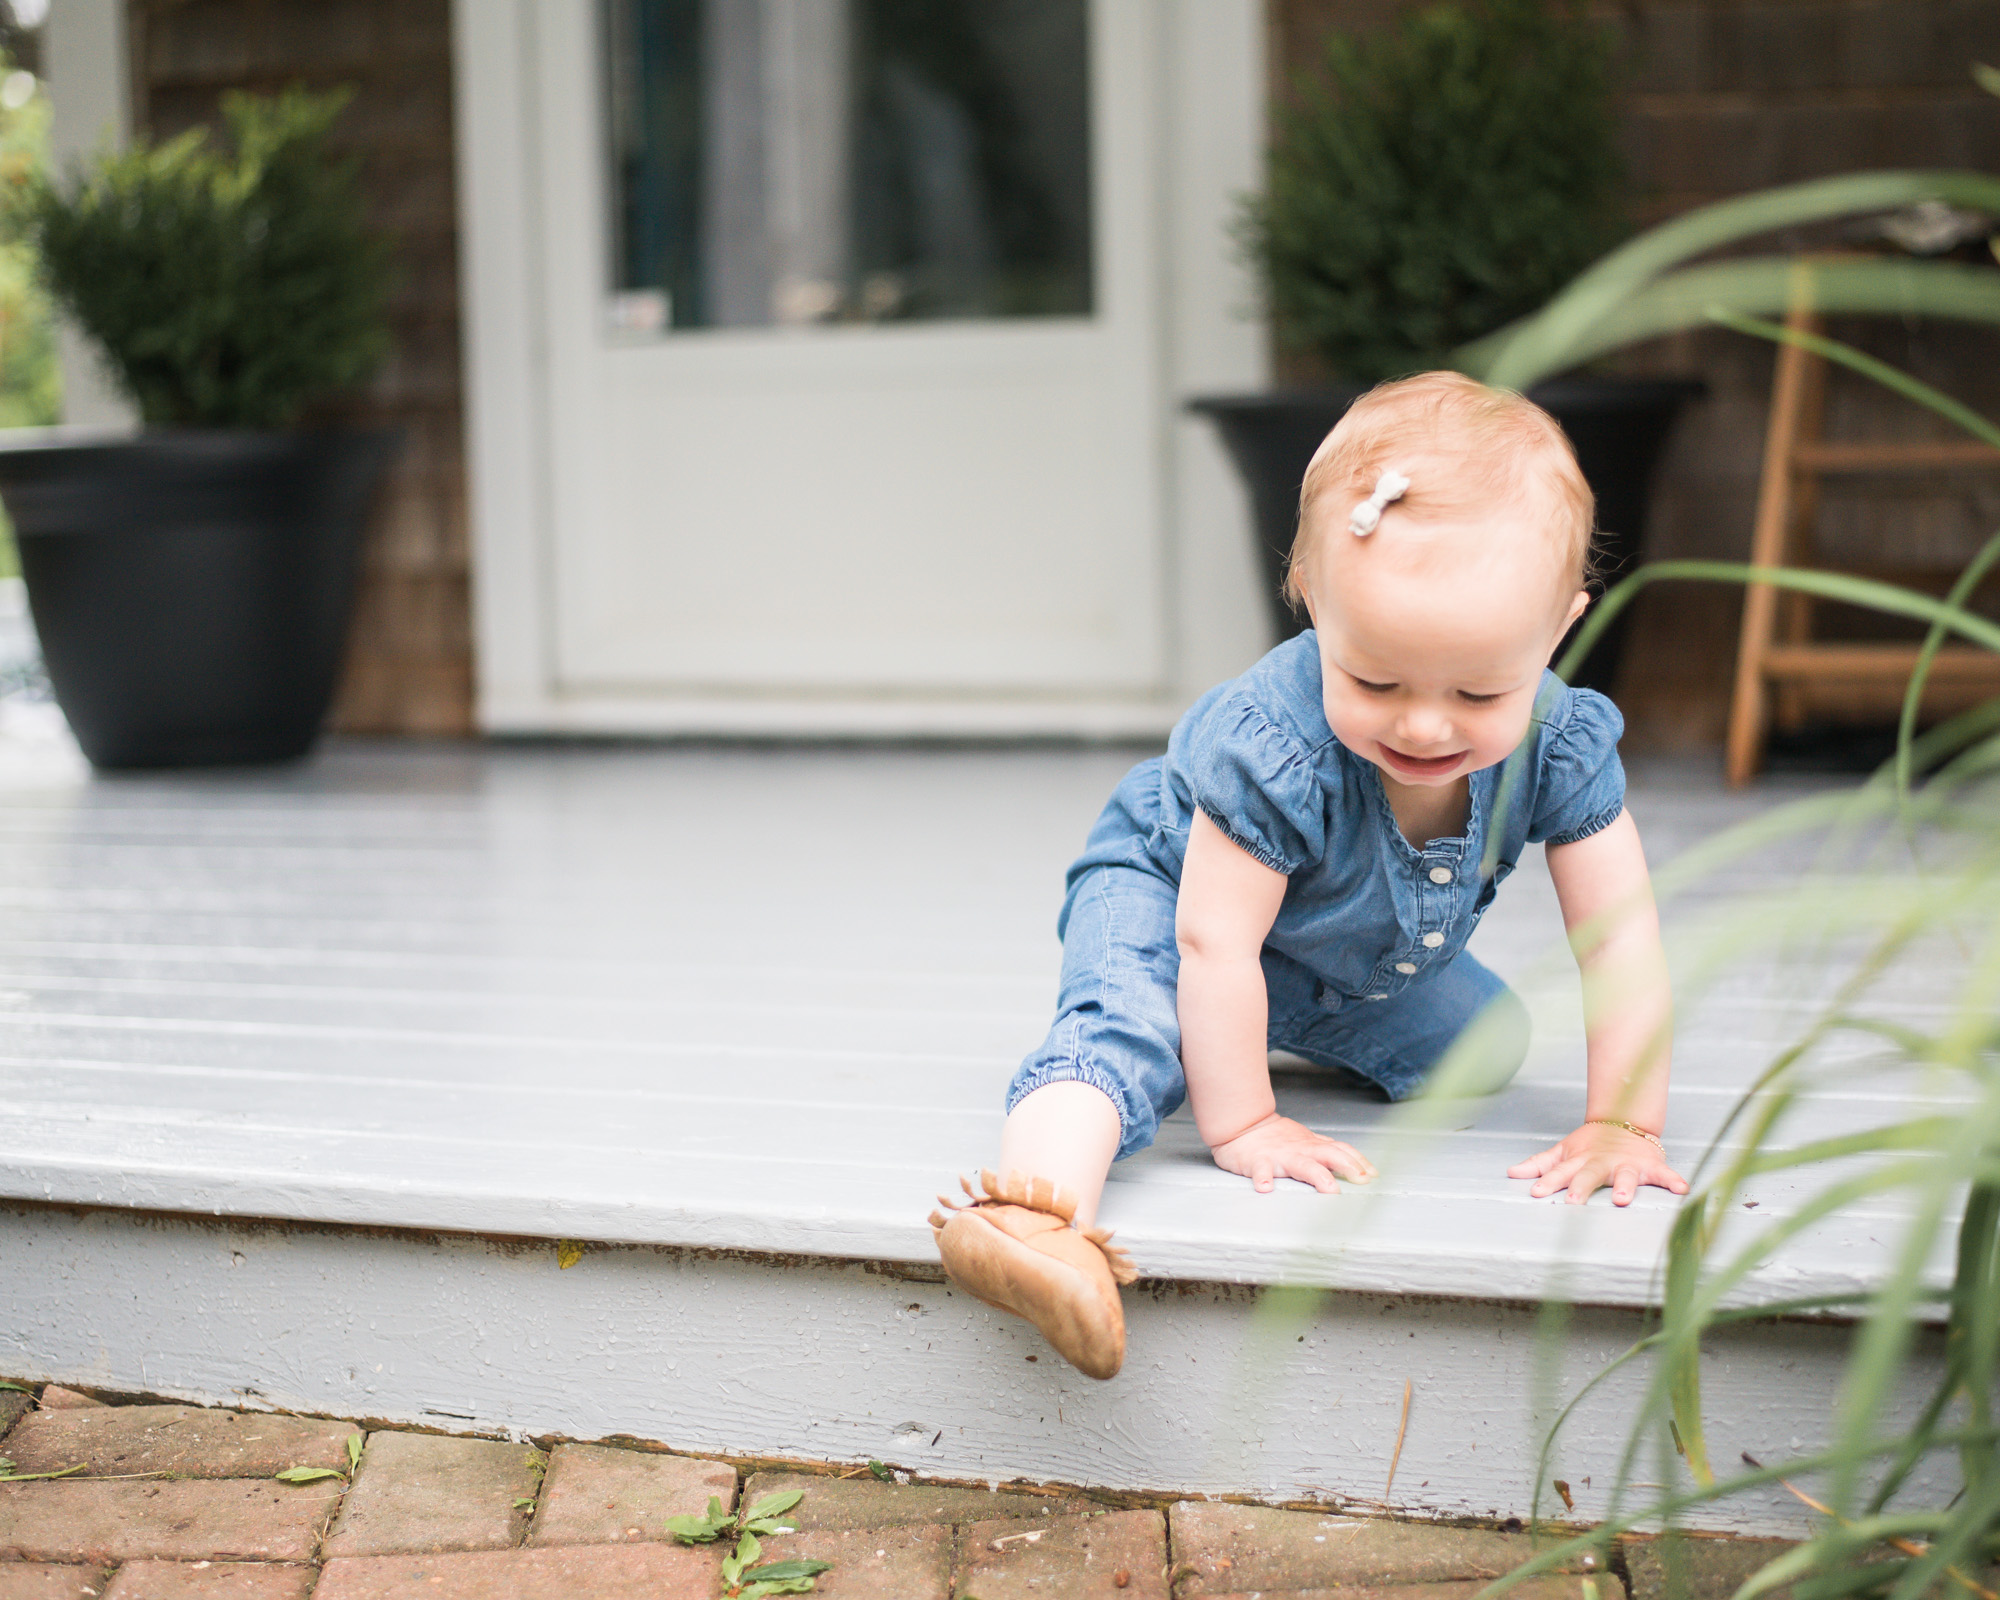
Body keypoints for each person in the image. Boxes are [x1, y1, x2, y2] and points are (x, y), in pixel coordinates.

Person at [930, 372, 1688, 1379]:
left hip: (1328, 953)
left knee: (1482, 1041)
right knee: (1129, 1027)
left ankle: (1231, 1028)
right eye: (1372, 679)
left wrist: (1620, 1122)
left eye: (1477, 689)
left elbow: (1619, 939)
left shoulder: (1558, 741)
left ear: (1556, 632)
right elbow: (1213, 941)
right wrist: (1243, 1121)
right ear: (1313, 611)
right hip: (1174, 898)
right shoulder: (1273, 743)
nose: (1423, 724)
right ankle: (1025, 1215)